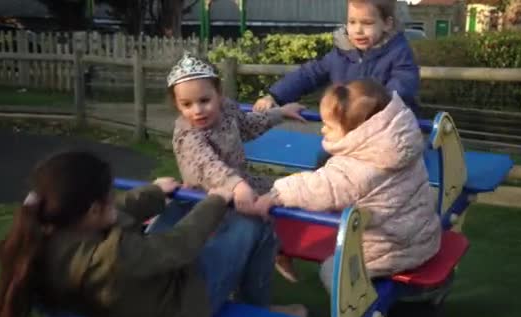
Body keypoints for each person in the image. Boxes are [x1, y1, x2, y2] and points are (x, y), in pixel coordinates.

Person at [0, 151, 304, 317]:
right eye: (108, 195)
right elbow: (181, 244)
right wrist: (217, 199)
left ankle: (245, 289)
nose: (113, 200)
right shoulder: (112, 256)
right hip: (177, 315)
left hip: (137, 305)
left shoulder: (45, 234)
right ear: (92, 209)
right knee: (254, 224)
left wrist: (153, 193)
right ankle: (258, 307)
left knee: (175, 208)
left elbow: (115, 216)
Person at [253, 80, 441, 292]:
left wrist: (275, 194)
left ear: (358, 132)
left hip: (389, 251)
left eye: (330, 126)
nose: (323, 129)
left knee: (333, 270)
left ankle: (362, 315)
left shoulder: (357, 168)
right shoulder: (401, 145)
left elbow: (319, 187)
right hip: (425, 236)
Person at [158, 52, 306, 282]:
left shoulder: (227, 110)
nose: (197, 110)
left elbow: (248, 125)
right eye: (186, 104)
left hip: (240, 182)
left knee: (285, 190)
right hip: (207, 195)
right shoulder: (187, 133)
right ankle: (267, 255)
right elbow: (207, 165)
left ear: (218, 93)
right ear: (177, 103)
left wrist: (279, 113)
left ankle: (277, 249)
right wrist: (235, 185)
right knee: (250, 226)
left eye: (204, 101)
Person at [253, 0, 420, 115]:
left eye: (367, 23)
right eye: (352, 22)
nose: (358, 30)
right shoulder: (341, 54)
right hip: (348, 130)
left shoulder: (398, 54)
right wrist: (275, 96)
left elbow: (401, 88)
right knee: (325, 161)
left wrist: (367, 108)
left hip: (387, 132)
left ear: (387, 24)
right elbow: (308, 74)